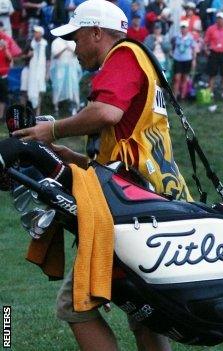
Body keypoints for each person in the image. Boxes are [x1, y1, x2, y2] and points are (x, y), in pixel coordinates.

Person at [13, 1, 193, 350]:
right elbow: (123, 146)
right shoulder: (141, 58)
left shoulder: (123, 56)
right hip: (152, 199)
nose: (74, 48)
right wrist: (75, 159)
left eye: (76, 38)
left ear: (96, 32)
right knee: (145, 315)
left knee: (75, 305)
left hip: (131, 208)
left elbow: (107, 112)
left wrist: (53, 132)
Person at [49, 37, 82, 116]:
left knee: (73, 88)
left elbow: (77, 54)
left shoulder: (73, 41)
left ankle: (74, 108)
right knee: (58, 87)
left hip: (71, 69)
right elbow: (55, 56)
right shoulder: (56, 42)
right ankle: (56, 108)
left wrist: (69, 48)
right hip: (59, 69)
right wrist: (64, 49)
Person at [204, 11, 223, 98]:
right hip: (214, 53)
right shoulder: (211, 29)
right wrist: (206, 51)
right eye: (218, 18)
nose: (219, 20)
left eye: (221, 19)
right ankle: (210, 92)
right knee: (212, 74)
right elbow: (206, 41)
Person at [20, 25, 47, 115]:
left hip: (40, 72)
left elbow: (48, 59)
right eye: (34, 32)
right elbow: (21, 56)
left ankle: (37, 114)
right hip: (28, 70)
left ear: (41, 34)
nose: (34, 33)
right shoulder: (29, 43)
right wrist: (28, 56)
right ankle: (23, 114)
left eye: (36, 32)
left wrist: (47, 73)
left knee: (39, 92)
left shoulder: (45, 44)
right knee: (24, 92)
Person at [171, 20, 196, 100]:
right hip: (177, 59)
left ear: (187, 28)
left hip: (187, 59)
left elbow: (194, 49)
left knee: (185, 78)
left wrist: (194, 59)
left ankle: (182, 96)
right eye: (182, 27)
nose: (183, 29)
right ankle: (175, 96)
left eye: (184, 27)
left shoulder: (191, 37)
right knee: (177, 78)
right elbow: (172, 46)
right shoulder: (176, 37)